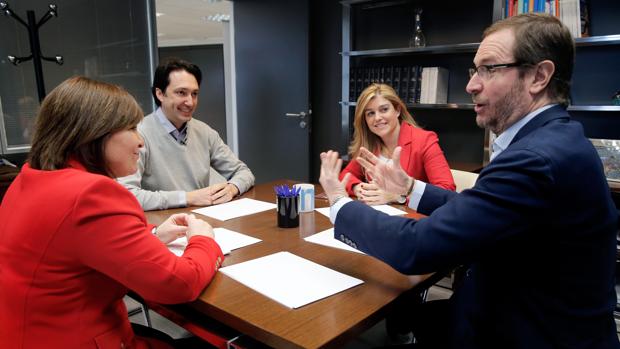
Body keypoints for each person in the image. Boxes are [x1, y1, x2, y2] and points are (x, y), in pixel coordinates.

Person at [319, 13, 619, 349]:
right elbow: (477, 207)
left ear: (539, 76)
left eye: (489, 69)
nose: (471, 84)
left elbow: (415, 247)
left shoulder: (534, 159)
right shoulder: (554, 139)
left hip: (526, 331)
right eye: (474, 70)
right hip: (507, 307)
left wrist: (338, 201)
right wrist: (408, 188)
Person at [0, 76, 225, 349]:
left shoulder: (29, 179)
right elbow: (177, 284)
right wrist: (204, 241)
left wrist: (152, 236)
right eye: (131, 128)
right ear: (94, 134)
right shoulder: (93, 194)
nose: (140, 141)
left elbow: (73, 249)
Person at [118, 58, 255, 211]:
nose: (190, 102)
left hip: (204, 221)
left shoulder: (205, 132)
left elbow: (243, 172)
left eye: (194, 94)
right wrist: (188, 198)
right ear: (160, 94)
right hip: (163, 228)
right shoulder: (137, 135)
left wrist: (232, 188)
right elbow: (127, 195)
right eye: (181, 93)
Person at [340, 83, 455, 205]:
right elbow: (345, 175)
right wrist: (358, 188)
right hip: (377, 215)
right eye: (370, 113)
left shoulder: (424, 140)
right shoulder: (370, 144)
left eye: (384, 109)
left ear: (397, 110)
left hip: (415, 219)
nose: (377, 117)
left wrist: (397, 197)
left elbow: (447, 191)